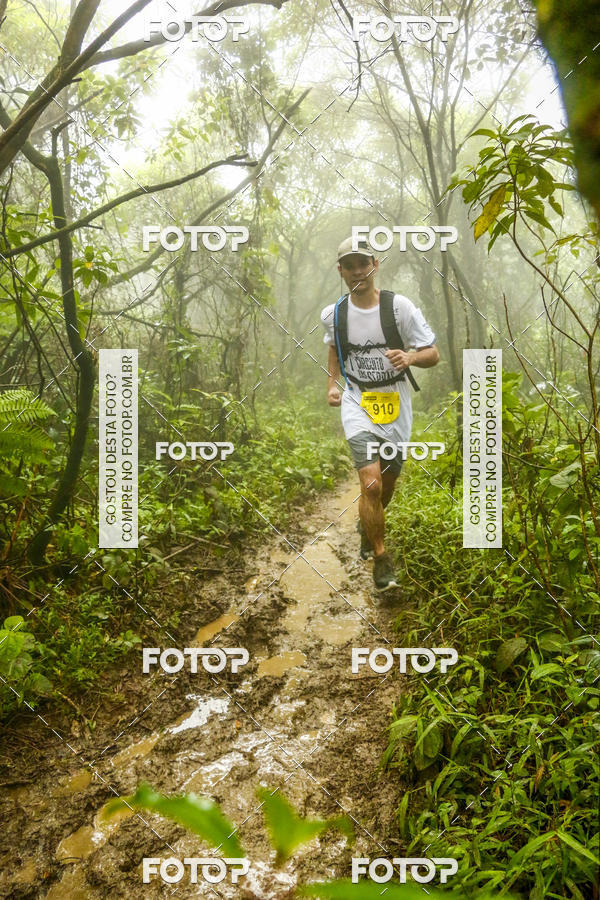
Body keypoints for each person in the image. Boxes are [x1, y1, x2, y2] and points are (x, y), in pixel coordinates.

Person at [320, 236, 440, 592]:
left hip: (395, 401)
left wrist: (411, 357)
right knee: (369, 481)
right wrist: (332, 383)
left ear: (374, 265)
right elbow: (333, 347)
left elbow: (433, 353)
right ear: (340, 270)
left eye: (363, 263)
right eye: (350, 265)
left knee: (385, 486)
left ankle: (368, 526)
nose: (358, 271)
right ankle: (381, 558)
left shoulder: (399, 308)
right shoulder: (334, 314)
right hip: (358, 400)